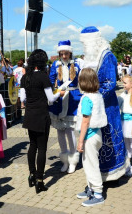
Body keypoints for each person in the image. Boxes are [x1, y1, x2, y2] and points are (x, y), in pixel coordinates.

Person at [80, 26, 126, 181]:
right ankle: (97, 176)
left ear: (94, 42)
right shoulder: (89, 58)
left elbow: (110, 82)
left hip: (107, 106)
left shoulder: (107, 56)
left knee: (110, 138)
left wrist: (94, 98)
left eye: (86, 44)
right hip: (96, 104)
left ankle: (113, 174)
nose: (85, 47)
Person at [20, 49, 64, 193]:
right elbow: (51, 99)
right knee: (42, 148)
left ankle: (32, 174)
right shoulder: (43, 77)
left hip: (29, 115)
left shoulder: (24, 77)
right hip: (41, 115)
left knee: (32, 145)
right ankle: (40, 180)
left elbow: (23, 99)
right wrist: (60, 94)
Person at [49, 40, 82, 173]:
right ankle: (64, 159)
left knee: (70, 130)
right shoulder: (55, 65)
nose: (64, 56)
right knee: (60, 131)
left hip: (73, 97)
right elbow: (50, 81)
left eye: (66, 53)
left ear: (70, 52)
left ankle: (73, 158)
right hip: (60, 97)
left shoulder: (77, 64)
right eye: (61, 53)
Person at [75, 68, 107, 207]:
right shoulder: (98, 95)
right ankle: (91, 189)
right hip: (97, 133)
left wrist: (80, 140)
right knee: (88, 163)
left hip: (89, 136)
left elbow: (85, 121)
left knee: (91, 165)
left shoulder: (87, 98)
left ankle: (98, 193)